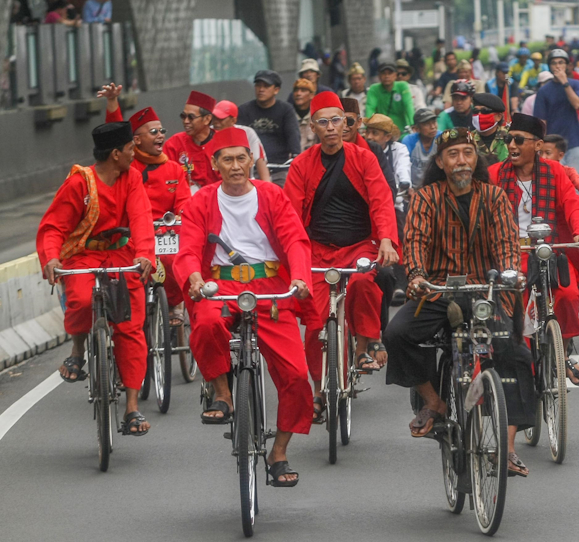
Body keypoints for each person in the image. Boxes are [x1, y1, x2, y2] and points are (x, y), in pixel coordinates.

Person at [383, 128, 536, 476]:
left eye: (467, 153)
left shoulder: (494, 197)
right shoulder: (425, 198)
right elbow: (416, 239)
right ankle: (433, 402)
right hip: (437, 292)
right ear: (440, 162)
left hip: (485, 292)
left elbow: (507, 244)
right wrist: (418, 277)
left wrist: (511, 273)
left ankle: (508, 449)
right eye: (453, 154)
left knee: (516, 355)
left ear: (476, 159)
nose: (461, 160)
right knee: (397, 334)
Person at [178, 127, 311, 486]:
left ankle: (279, 452)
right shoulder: (201, 200)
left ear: (252, 160)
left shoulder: (272, 195)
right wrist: (192, 276)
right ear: (214, 164)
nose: (236, 166)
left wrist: (298, 277)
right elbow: (188, 249)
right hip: (220, 283)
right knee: (205, 324)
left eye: (242, 158)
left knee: (296, 375)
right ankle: (222, 394)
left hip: (269, 287)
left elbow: (295, 239)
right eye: (228, 160)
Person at [283, 91, 399, 417]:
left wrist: (387, 239)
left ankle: (363, 347)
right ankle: (319, 389)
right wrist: (290, 256)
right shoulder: (302, 165)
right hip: (317, 252)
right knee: (315, 323)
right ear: (313, 127)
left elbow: (380, 200)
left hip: (359, 246)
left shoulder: (364, 158)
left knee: (364, 282)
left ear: (347, 123)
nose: (332, 127)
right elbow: (290, 215)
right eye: (324, 122)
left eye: (338, 121)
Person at [37, 121, 155, 435]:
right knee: (80, 299)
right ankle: (78, 352)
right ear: (116, 153)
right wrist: (50, 257)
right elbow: (53, 227)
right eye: (131, 149)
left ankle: (131, 408)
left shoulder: (131, 178)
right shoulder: (80, 183)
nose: (135, 154)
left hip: (120, 254)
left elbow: (142, 217)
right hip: (84, 255)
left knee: (130, 327)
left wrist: (145, 253)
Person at [490, 113, 579, 384]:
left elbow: (572, 204)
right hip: (509, 253)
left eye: (519, 140)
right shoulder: (494, 173)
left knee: (567, 296)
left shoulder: (554, 171)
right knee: (513, 307)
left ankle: (562, 353)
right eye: (509, 139)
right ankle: (518, 363)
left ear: (538, 145)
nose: (512, 145)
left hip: (549, 251)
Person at [98, 87, 193, 326]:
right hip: (131, 234)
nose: (161, 135)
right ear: (136, 140)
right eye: (154, 131)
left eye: (162, 131)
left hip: (164, 232)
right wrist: (112, 102)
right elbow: (115, 134)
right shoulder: (126, 169)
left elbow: (184, 203)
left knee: (173, 260)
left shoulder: (174, 169)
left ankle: (174, 302)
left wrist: (179, 221)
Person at [239, 70, 301, 184]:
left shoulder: (286, 110)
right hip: (252, 171)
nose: (261, 89)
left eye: (266, 86)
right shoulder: (244, 110)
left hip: (279, 169)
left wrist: (296, 155)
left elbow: (293, 135)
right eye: (258, 85)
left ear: (276, 90)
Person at [534, 49, 579, 171]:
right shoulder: (543, 91)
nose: (558, 66)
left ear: (567, 65)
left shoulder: (575, 84)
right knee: (554, 180)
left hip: (573, 140)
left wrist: (565, 82)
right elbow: (541, 121)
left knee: (574, 181)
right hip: (552, 144)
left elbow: (577, 104)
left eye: (561, 62)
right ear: (550, 66)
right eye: (554, 63)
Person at [165, 90, 220, 192]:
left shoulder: (223, 143)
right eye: (183, 116)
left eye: (191, 117)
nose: (186, 121)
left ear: (207, 119)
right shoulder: (174, 144)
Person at [212, 100, 270, 181]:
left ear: (233, 120)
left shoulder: (247, 133)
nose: (215, 122)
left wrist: (268, 188)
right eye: (214, 118)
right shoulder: (208, 133)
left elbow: (260, 161)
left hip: (244, 182)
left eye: (220, 119)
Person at [541, 134, 579, 207]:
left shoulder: (568, 171)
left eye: (547, 153)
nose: (542, 157)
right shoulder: (533, 171)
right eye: (540, 153)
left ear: (560, 156)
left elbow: (578, 182)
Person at [364, 61, 414, 133]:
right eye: (383, 73)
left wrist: (413, 124)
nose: (386, 76)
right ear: (379, 76)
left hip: (402, 130)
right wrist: (368, 127)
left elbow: (408, 105)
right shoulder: (373, 89)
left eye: (390, 73)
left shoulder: (403, 86)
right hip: (382, 131)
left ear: (395, 75)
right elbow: (370, 108)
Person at [402, 108, 439, 188]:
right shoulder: (409, 141)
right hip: (413, 187)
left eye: (434, 122)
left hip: (435, 187)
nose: (433, 127)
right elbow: (403, 166)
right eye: (426, 124)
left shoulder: (441, 138)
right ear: (416, 129)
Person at [292, 78, 317, 150]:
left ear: (311, 95)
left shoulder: (316, 118)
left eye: (303, 90)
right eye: (296, 90)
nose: (298, 94)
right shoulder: (287, 116)